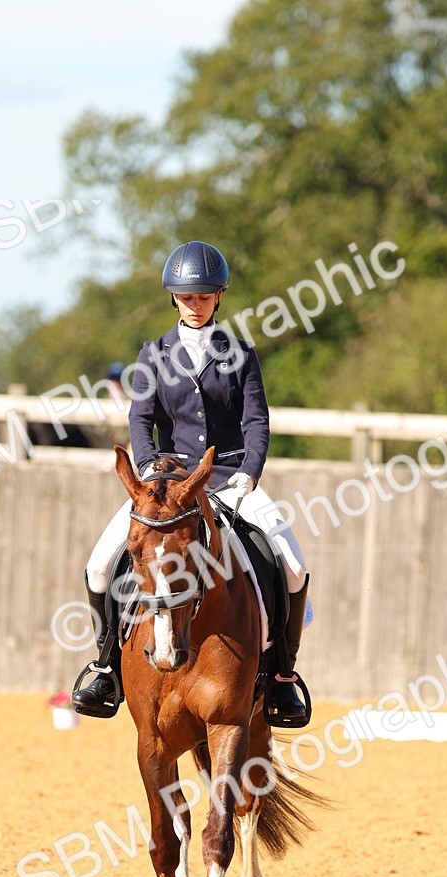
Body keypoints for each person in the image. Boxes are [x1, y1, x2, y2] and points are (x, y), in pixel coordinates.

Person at [72, 238, 311, 726]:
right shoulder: (153, 354)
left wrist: (248, 473)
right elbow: (140, 420)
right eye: (186, 297)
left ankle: (283, 676)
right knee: (98, 566)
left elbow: (256, 422)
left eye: (203, 296)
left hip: (229, 478)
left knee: (293, 566)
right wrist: (146, 473)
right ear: (174, 298)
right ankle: (106, 667)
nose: (195, 304)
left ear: (219, 296)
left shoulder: (241, 353)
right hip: (168, 484)